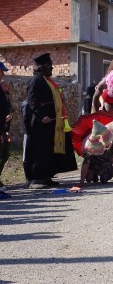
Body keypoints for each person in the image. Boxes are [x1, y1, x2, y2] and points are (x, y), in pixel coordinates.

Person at [23, 53, 77, 189]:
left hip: (52, 123)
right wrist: (42, 116)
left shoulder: (48, 81)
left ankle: (47, 176)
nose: (51, 69)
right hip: (40, 123)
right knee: (40, 150)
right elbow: (33, 101)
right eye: (49, 67)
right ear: (42, 67)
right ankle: (36, 179)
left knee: (49, 150)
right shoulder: (35, 81)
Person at [78, 120, 113, 186]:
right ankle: (93, 174)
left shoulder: (111, 142)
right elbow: (86, 163)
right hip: (93, 164)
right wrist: (81, 181)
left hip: (105, 163)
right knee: (89, 178)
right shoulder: (89, 146)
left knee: (105, 178)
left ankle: (101, 174)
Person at [0, 61, 12, 191]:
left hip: (3, 128)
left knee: (4, 155)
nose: (2, 74)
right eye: (1, 71)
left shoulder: (2, 92)